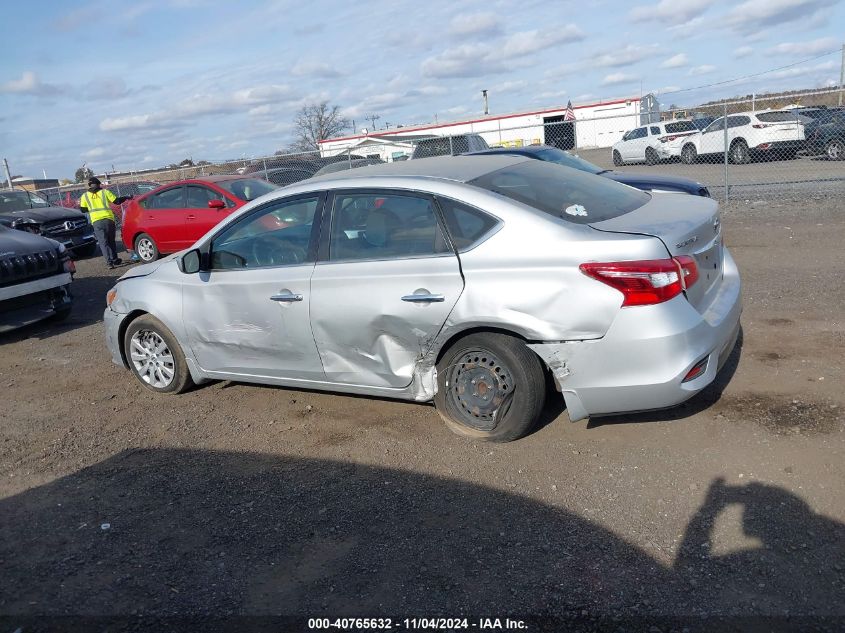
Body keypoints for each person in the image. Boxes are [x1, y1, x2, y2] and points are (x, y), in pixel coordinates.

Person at [78, 177, 132, 268]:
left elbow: (83, 210)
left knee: (103, 243)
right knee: (111, 241)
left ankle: (109, 263)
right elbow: (117, 201)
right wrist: (126, 197)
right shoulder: (105, 192)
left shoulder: (85, 196)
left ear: (90, 185)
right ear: (99, 184)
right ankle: (115, 259)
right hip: (108, 220)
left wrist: (92, 207)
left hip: (96, 221)